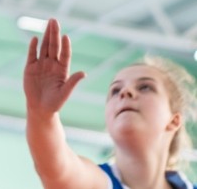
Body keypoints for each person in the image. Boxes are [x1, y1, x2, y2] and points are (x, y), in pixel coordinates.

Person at [24, 18, 197, 189]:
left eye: (145, 87)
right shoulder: (95, 183)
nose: (125, 92)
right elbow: (57, 169)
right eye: (115, 90)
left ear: (174, 120)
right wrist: (42, 114)